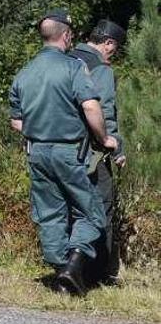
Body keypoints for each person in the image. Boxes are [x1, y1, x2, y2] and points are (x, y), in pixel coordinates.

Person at [9, 9, 117, 296]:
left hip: (36, 152)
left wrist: (40, 132)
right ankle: (73, 267)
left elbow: (16, 121)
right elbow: (92, 107)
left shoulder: (24, 73)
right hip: (68, 152)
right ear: (67, 35)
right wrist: (105, 138)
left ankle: (61, 277)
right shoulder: (72, 68)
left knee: (50, 214)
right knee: (90, 212)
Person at [68, 20, 127, 286]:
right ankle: (97, 274)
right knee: (102, 208)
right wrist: (115, 147)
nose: (112, 53)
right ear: (109, 43)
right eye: (114, 49)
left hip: (60, 150)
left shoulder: (66, 58)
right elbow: (104, 112)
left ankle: (66, 267)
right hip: (91, 151)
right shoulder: (100, 68)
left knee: (68, 209)